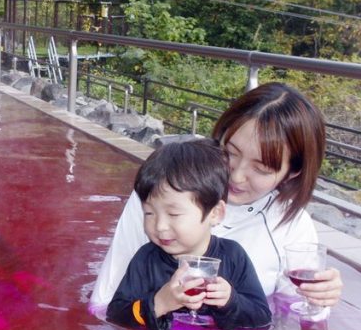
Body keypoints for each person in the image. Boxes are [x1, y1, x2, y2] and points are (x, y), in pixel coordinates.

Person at [93, 82, 344, 317]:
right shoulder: (159, 197)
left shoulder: (291, 227)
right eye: (229, 153)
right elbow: (106, 302)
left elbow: (293, 317)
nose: (236, 175)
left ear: (293, 171)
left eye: (261, 168)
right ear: (220, 134)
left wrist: (318, 299)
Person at [105, 139, 271, 330]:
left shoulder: (233, 256)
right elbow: (115, 314)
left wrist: (231, 301)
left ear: (215, 213)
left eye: (174, 214)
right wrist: (159, 303)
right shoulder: (147, 258)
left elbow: (262, 317)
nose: (159, 226)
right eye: (149, 213)